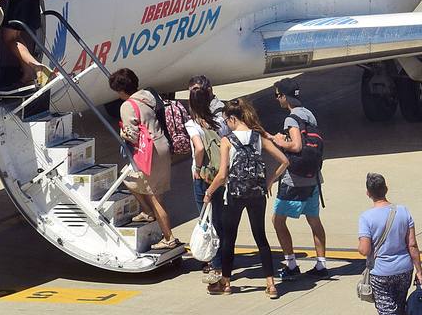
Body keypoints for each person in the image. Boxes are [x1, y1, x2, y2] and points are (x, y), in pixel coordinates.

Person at [202, 97, 288, 298]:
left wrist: (209, 192)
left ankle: (226, 282)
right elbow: (284, 161)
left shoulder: (227, 140)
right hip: (257, 193)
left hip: (235, 193)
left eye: (226, 121)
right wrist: (269, 182)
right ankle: (271, 284)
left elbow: (222, 174)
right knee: (261, 237)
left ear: (232, 118)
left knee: (229, 238)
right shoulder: (259, 137)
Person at [358, 173, 422, 315]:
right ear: (386, 189)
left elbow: (365, 249)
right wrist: (419, 269)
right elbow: (412, 244)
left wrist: (360, 246)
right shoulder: (403, 211)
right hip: (404, 269)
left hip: (381, 272)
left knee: (387, 312)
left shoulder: (366, 217)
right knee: (398, 310)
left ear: (368, 193)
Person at [109, 68, 180, 251]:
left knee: (154, 196)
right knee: (132, 179)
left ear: (121, 90)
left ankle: (168, 237)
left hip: (148, 153)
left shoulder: (127, 106)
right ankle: (147, 212)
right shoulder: (148, 95)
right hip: (161, 145)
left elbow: (132, 136)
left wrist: (122, 133)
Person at [269, 77, 328, 279]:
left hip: (295, 180)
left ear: (285, 97)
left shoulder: (291, 118)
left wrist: (279, 141)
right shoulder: (309, 114)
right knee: (314, 220)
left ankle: (291, 264)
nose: (277, 99)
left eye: (278, 96)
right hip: (313, 177)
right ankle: (321, 264)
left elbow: (296, 146)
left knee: (277, 221)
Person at [188, 83, 225, 282]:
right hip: (220, 175)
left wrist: (197, 169)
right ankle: (225, 260)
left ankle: (215, 264)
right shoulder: (219, 120)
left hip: (204, 177)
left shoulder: (193, 123)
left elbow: (199, 148)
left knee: (206, 221)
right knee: (220, 218)